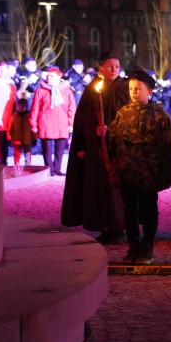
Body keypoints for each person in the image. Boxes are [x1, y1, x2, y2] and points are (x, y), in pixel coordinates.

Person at [102, 70, 171, 265]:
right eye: (131, 89)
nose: (134, 92)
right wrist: (105, 134)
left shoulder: (160, 116)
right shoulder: (123, 113)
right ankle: (133, 245)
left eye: (138, 89)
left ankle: (147, 246)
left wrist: (164, 174)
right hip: (127, 172)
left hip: (148, 173)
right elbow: (114, 143)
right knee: (129, 210)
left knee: (148, 209)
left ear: (149, 91)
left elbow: (168, 147)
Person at [62, 52, 130, 243]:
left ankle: (119, 227)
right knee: (99, 188)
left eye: (117, 66)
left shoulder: (124, 89)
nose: (114, 70)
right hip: (96, 149)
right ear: (100, 68)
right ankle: (104, 227)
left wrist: (114, 130)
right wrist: (93, 133)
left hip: (118, 148)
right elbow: (83, 119)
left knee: (118, 189)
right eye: (110, 66)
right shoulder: (92, 90)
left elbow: (130, 115)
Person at [29, 67, 76, 176]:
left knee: (60, 149)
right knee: (47, 149)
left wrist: (71, 123)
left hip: (62, 124)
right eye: (48, 75)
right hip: (46, 123)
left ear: (59, 77)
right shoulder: (40, 91)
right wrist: (33, 124)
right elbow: (35, 108)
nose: (48, 77)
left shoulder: (66, 91)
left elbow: (71, 108)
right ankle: (49, 169)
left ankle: (57, 169)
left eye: (52, 75)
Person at [7, 99, 34, 167]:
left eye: (22, 106)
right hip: (16, 140)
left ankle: (28, 167)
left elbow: (33, 128)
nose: (20, 108)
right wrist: (9, 138)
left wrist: (35, 138)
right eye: (19, 106)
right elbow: (9, 128)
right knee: (17, 155)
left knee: (27, 155)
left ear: (26, 107)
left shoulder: (30, 116)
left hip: (27, 141)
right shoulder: (14, 116)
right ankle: (17, 168)